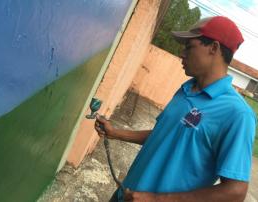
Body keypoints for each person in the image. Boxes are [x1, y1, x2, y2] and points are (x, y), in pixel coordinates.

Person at [95, 16, 256, 202]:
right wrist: (115, 133)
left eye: (189, 46)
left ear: (214, 48)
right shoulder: (186, 89)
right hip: (127, 193)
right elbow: (165, 136)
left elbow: (235, 192)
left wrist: (156, 199)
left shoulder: (237, 114)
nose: (182, 53)